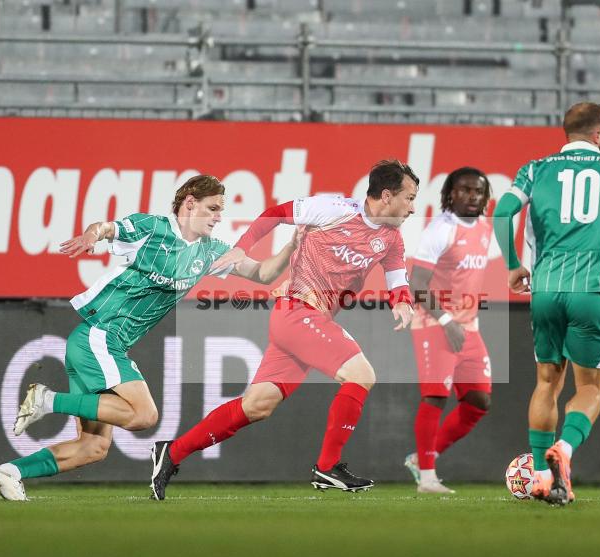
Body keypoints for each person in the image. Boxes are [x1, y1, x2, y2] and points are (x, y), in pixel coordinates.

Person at [0, 175, 299, 501]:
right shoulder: (152, 228)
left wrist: (292, 246)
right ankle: (47, 401)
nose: (219, 216)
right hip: (99, 336)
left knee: (93, 448)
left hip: (102, 344)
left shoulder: (209, 251)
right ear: (190, 203)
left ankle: (10, 472)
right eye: (213, 207)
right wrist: (92, 234)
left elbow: (262, 274)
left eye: (221, 209)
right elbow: (106, 228)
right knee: (144, 415)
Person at [148, 159, 417, 500]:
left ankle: (171, 454)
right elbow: (275, 212)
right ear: (386, 195)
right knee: (361, 374)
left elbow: (396, 277)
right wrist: (242, 247)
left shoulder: (391, 238)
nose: (412, 208)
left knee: (257, 405)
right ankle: (328, 467)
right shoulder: (332, 208)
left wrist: (402, 301)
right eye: (409, 198)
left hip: (307, 321)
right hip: (298, 313)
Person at [492, 102, 600, 505]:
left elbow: (502, 212)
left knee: (547, 381)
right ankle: (564, 450)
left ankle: (543, 478)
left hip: (545, 287)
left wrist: (513, 266)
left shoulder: (535, 169)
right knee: (590, 387)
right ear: (598, 133)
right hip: (592, 288)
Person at [403, 167, 493, 494]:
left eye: (478, 191)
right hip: (434, 323)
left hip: (467, 326)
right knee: (435, 396)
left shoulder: (484, 228)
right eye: (465, 190)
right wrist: (446, 321)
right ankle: (428, 478)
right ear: (450, 194)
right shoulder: (439, 229)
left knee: (478, 401)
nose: (472, 196)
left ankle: (422, 458)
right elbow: (417, 284)